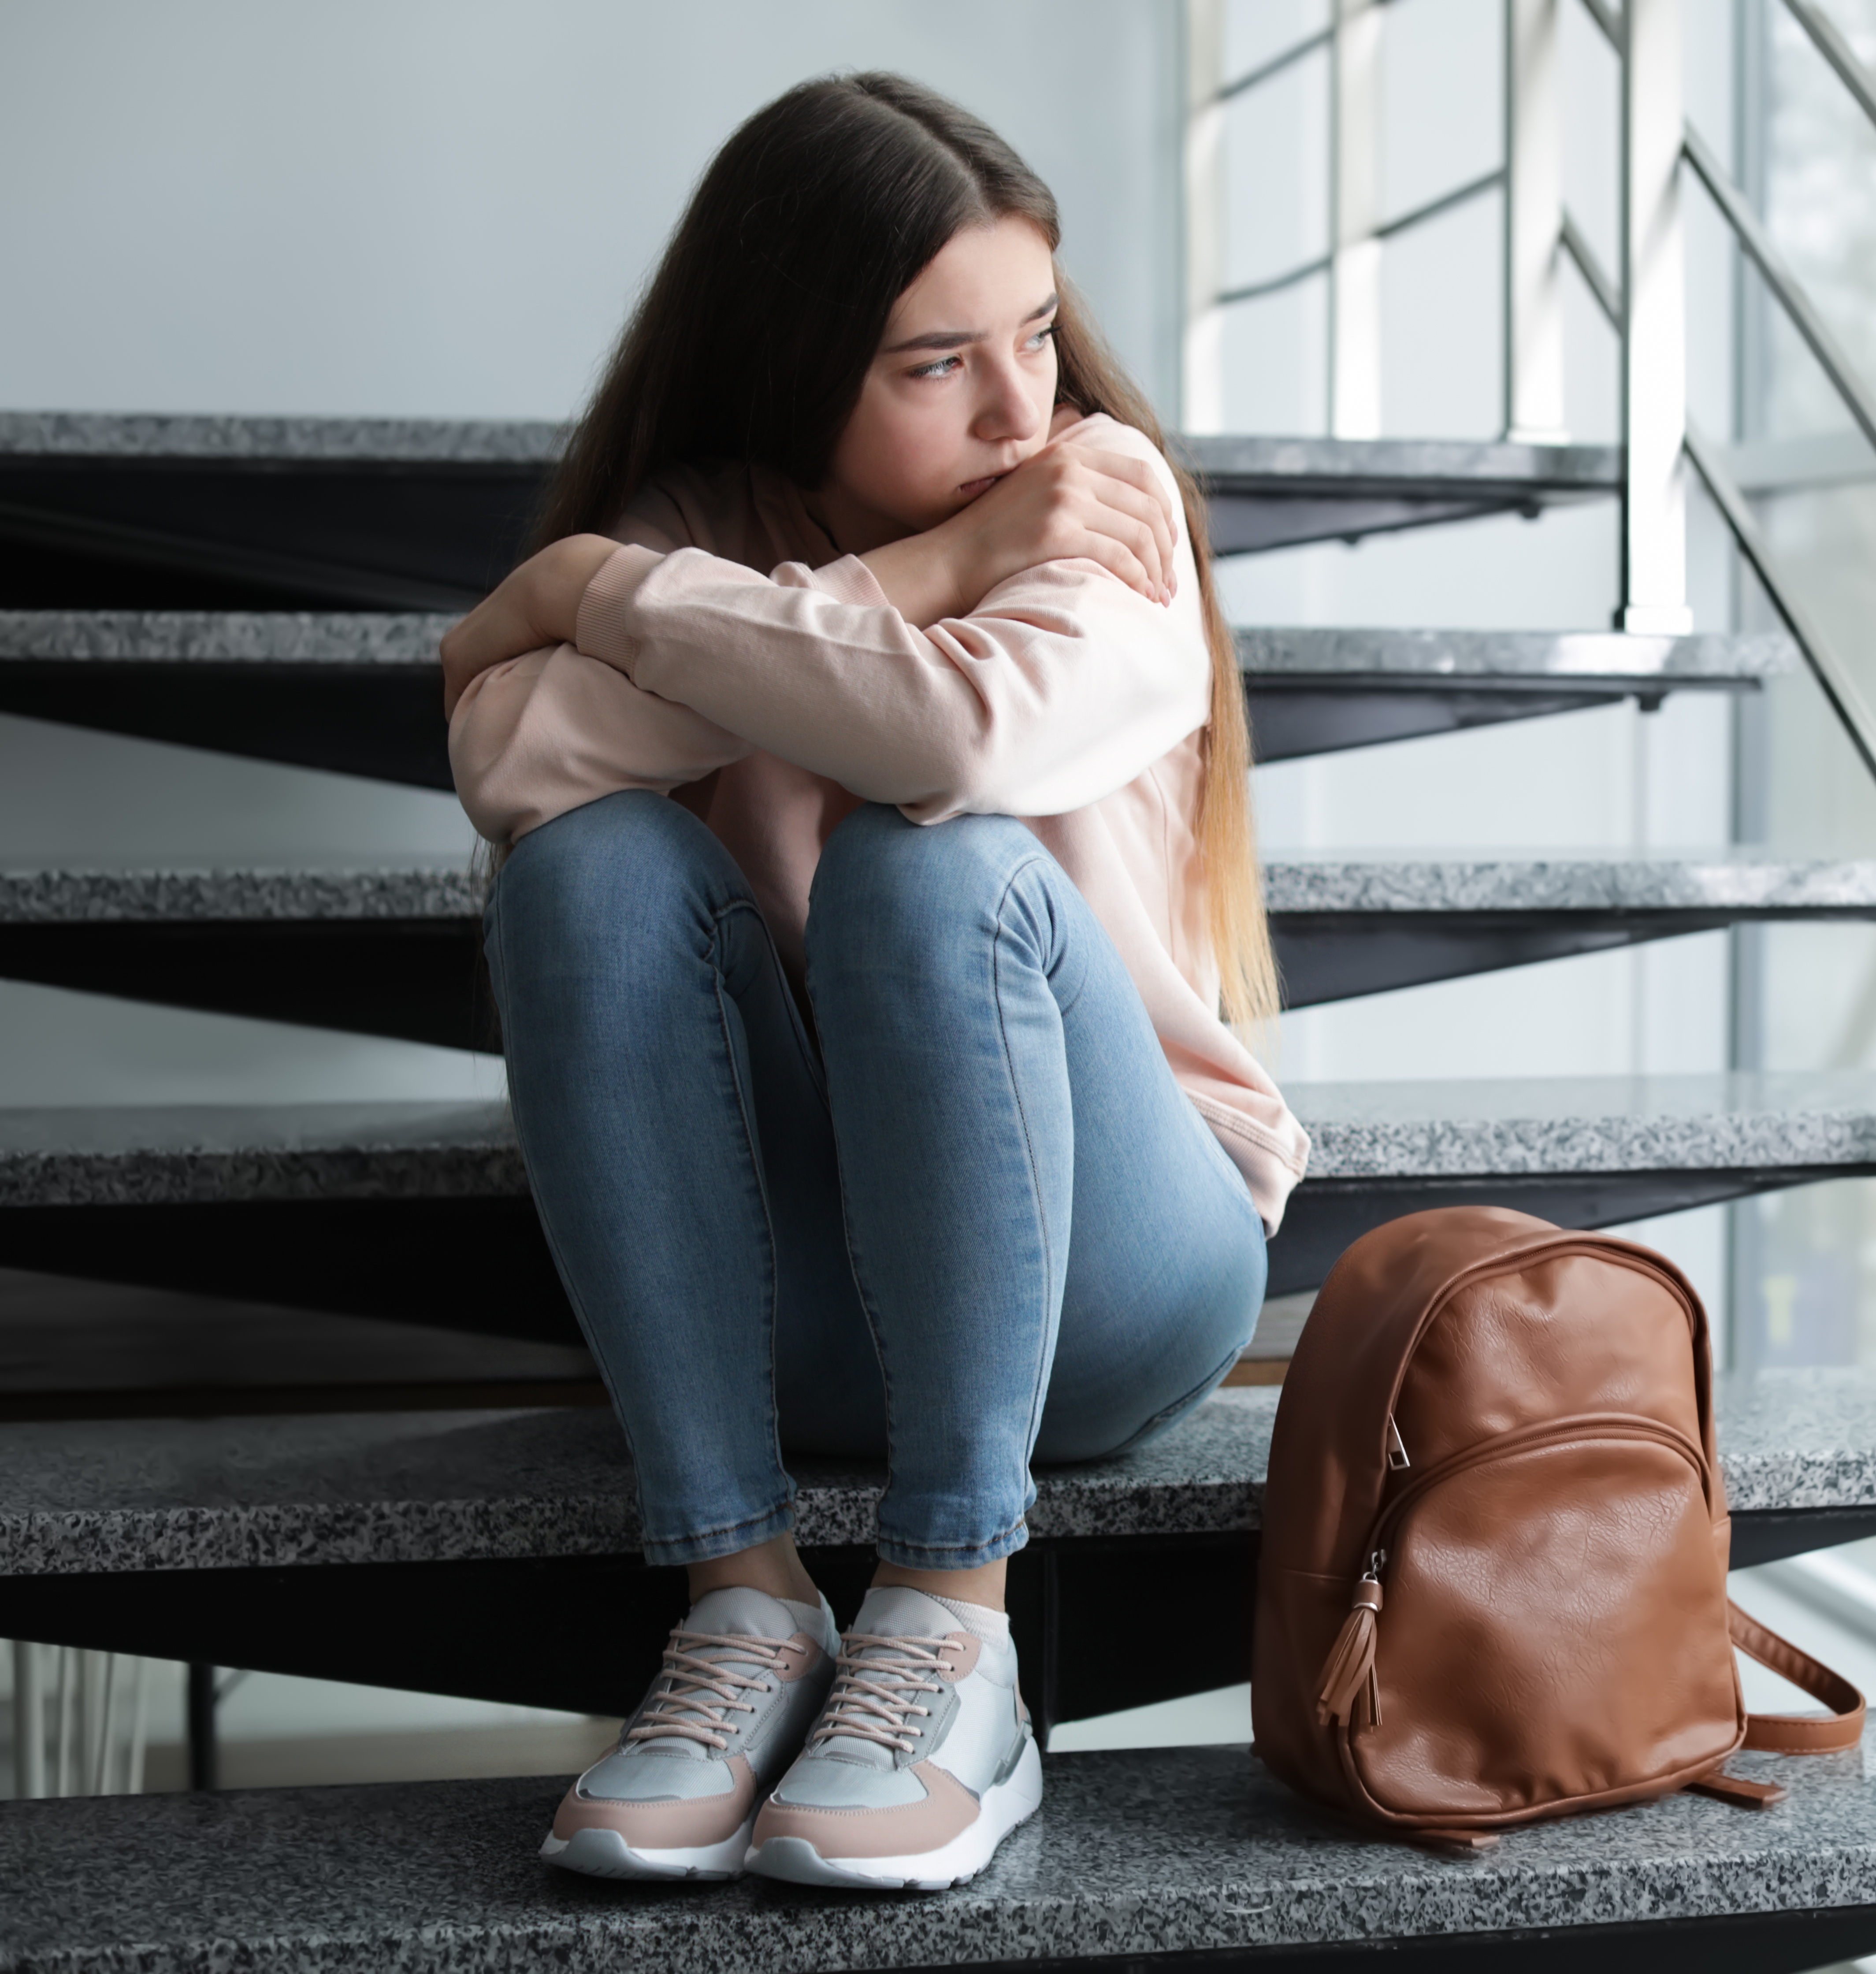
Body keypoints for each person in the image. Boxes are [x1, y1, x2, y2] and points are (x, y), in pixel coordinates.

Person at [441, 71, 1305, 1892]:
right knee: (582, 868)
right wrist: (930, 567)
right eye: (938, 365)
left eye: (1039, 335)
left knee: (935, 858)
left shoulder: (1102, 497)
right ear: (792, 364)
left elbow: (960, 725)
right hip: (804, 1293)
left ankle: (954, 1625)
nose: (1022, 409)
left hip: (1114, 1274)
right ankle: (745, 1603)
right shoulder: (714, 515)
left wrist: (599, 592)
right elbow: (513, 758)